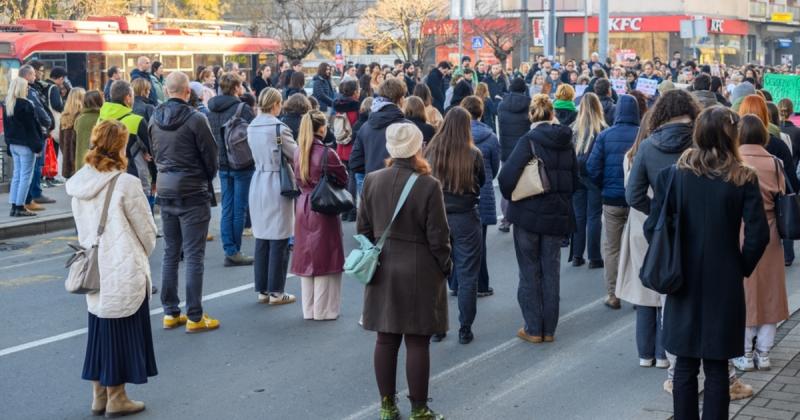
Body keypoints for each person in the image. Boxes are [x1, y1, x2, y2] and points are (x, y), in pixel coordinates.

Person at [648, 106, 769, 420]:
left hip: (680, 277)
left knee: (685, 364)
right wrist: (740, 265)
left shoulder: (672, 176)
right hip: (724, 277)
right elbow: (758, 235)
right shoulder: (743, 177)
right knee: (717, 366)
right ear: (732, 136)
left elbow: (653, 227)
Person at [359, 122, 451, 420]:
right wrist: (445, 267)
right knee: (417, 340)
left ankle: (387, 406)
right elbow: (439, 236)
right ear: (418, 148)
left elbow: (363, 229)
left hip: (382, 264)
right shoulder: (428, 185)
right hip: (419, 267)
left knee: (385, 340)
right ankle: (419, 409)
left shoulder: (371, 180)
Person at [67, 120, 157, 418]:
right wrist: (143, 251)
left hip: (93, 265)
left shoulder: (80, 182)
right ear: (120, 146)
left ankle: (99, 395)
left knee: (99, 329)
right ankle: (117, 397)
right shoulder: (125, 183)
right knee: (123, 327)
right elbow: (147, 230)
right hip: (122, 261)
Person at [497, 94, 578, 344]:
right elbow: (575, 180)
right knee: (551, 271)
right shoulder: (567, 141)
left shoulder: (528, 141)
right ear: (552, 113)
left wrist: (515, 196)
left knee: (529, 270)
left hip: (528, 214)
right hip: (557, 215)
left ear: (532, 115)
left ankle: (533, 328)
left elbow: (506, 177)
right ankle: (549, 329)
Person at [150, 71, 220, 333]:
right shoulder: (196, 119)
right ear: (187, 91)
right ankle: (194, 315)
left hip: (166, 189)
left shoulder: (154, 118)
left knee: (170, 252)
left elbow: (154, 152)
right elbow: (211, 157)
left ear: (167, 91)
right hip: (192, 189)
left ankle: (170, 312)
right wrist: (204, 177)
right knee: (193, 255)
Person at [732, 115, 789, 372]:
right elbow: (784, 194)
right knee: (770, 291)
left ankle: (743, 351)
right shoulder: (775, 163)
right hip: (771, 231)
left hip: (739, 229)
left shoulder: (733, 161)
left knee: (743, 292)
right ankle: (763, 353)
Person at [424, 107, 485, 344]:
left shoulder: (431, 151)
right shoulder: (473, 153)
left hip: (437, 217)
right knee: (468, 274)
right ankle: (465, 327)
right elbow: (481, 180)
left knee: (436, 273)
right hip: (466, 215)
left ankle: (438, 326)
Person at [616, 111, 668, 369]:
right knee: (663, 289)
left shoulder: (630, 157)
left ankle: (645, 353)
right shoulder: (664, 154)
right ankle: (661, 353)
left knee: (643, 290)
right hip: (659, 221)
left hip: (638, 224)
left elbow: (632, 192)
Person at [291, 110, 348, 321]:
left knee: (307, 257)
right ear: (321, 127)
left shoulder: (298, 151)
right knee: (327, 256)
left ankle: (310, 309)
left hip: (303, 204)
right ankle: (325, 310)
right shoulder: (326, 153)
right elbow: (343, 177)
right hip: (323, 206)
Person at [586, 95, 640, 309]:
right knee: (637, 246)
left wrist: (603, 186)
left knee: (612, 247)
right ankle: (638, 295)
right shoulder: (642, 135)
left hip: (611, 199)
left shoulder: (605, 135)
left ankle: (613, 294)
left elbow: (592, 167)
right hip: (636, 199)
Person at [246, 88, 298, 305]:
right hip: (276, 181)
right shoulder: (279, 127)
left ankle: (262, 290)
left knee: (262, 236)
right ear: (276, 103)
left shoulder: (251, 126)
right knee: (279, 236)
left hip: (257, 180)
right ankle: (277, 291)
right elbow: (296, 154)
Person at [206, 74, 257, 267]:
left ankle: (229, 248)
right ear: (236, 88)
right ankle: (234, 251)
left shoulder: (210, 110)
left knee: (227, 207)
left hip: (222, 164)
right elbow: (254, 133)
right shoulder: (242, 109)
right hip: (242, 164)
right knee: (239, 208)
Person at [626, 89, 699, 216]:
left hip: (664, 227)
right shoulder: (702, 142)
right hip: (699, 223)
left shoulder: (647, 146)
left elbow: (633, 196)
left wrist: (658, 212)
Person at [462, 96, 500, 298]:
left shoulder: (454, 136)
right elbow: (494, 169)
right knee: (480, 242)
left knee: (457, 241)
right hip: (481, 191)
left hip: (457, 193)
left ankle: (457, 282)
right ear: (481, 112)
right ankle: (482, 284)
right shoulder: (491, 137)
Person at [570, 92, 606, 268]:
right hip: (594, 176)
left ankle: (577, 255)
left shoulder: (573, 128)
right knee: (594, 216)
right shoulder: (602, 129)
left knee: (578, 216)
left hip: (577, 175)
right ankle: (594, 257)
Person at [350, 78, 408, 181]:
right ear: (400, 99)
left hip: (372, 186)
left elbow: (355, 162)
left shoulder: (365, 127)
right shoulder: (407, 127)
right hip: (399, 186)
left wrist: (372, 172)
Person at [97, 81, 151, 191]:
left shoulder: (100, 119)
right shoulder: (137, 120)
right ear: (128, 98)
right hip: (130, 173)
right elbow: (153, 150)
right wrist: (154, 179)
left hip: (104, 173)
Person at [496, 78, 531, 233]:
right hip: (524, 150)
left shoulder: (502, 105)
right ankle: (522, 216)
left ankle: (506, 218)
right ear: (524, 89)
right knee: (525, 184)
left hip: (506, 150)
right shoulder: (529, 104)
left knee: (506, 184)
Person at [3, 77, 41, 217]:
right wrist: (37, 147)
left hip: (13, 144)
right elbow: (32, 128)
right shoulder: (26, 104)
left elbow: (7, 129)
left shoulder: (7, 103)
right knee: (26, 177)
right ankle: (20, 207)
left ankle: (14, 205)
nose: (28, 89)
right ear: (21, 88)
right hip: (26, 146)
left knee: (17, 176)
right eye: (26, 87)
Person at [332, 80, 361, 222]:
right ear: (355, 92)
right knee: (353, 179)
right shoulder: (356, 108)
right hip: (352, 146)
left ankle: (344, 210)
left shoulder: (338, 107)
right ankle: (352, 210)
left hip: (340, 145)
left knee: (344, 178)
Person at [59, 87, 85, 179]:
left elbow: (61, 141)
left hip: (68, 161)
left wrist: (66, 153)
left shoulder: (64, 116)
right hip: (79, 159)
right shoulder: (82, 116)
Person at [74, 91, 103, 173]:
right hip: (98, 162)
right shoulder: (102, 119)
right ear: (100, 101)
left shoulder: (79, 119)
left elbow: (74, 140)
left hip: (81, 162)